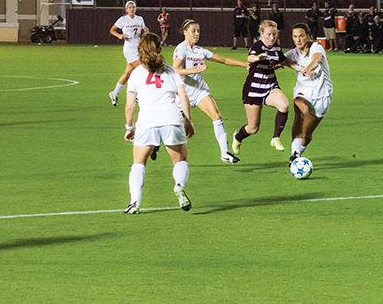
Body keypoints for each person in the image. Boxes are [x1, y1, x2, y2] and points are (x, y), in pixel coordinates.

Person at [122, 33, 195, 214]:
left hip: (147, 122)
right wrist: (188, 120)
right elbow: (183, 96)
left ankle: (135, 202)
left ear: (140, 51)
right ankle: (179, 185)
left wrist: (129, 128)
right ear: (159, 50)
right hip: (172, 119)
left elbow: (130, 106)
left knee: (138, 163)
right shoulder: (171, 71)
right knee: (180, 160)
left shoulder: (136, 74)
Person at [173, 19, 248, 164]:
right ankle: (155, 144)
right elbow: (175, 69)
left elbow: (224, 60)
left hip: (200, 91)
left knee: (216, 115)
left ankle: (224, 152)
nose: (196, 34)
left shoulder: (200, 51)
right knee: (174, 123)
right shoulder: (181, 48)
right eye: (193, 31)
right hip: (183, 94)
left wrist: (243, 64)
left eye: (198, 31)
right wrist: (195, 70)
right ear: (185, 32)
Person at [232, 20, 289, 155]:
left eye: (275, 34)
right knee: (253, 128)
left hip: (270, 86)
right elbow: (250, 58)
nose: (272, 37)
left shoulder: (277, 48)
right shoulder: (258, 46)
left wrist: (300, 68)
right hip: (253, 90)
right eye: (269, 34)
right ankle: (238, 137)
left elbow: (284, 60)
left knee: (284, 105)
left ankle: (276, 137)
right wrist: (258, 58)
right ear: (262, 34)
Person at [283, 23, 332, 164]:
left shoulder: (316, 47)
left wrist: (308, 68)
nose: (298, 39)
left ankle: (297, 151)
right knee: (301, 111)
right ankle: (294, 155)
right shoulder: (294, 52)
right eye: (295, 36)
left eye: (301, 36)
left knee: (306, 133)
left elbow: (316, 59)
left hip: (322, 95)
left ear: (308, 36)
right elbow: (280, 60)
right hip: (302, 92)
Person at [108, 1, 147, 106]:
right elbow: (112, 30)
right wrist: (120, 36)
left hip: (138, 49)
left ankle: (114, 93)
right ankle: (138, 95)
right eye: (129, 7)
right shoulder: (123, 20)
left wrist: (146, 31)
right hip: (129, 50)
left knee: (128, 73)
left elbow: (144, 31)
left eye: (133, 7)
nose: (132, 9)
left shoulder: (140, 19)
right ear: (126, 9)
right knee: (143, 68)